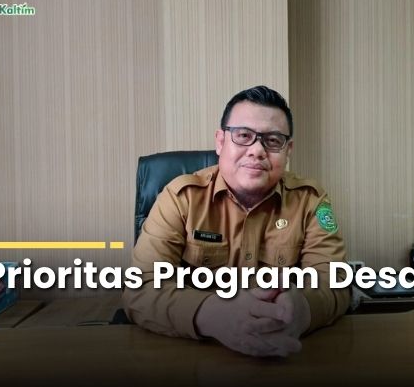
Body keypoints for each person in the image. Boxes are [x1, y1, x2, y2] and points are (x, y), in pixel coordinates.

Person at [123, 85, 349, 357]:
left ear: (288, 150)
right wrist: (211, 313)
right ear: (220, 142)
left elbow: (335, 282)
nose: (257, 150)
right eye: (243, 136)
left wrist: (303, 309)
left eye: (273, 140)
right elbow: (141, 287)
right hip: (196, 352)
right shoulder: (181, 197)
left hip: (284, 350)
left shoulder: (310, 200)